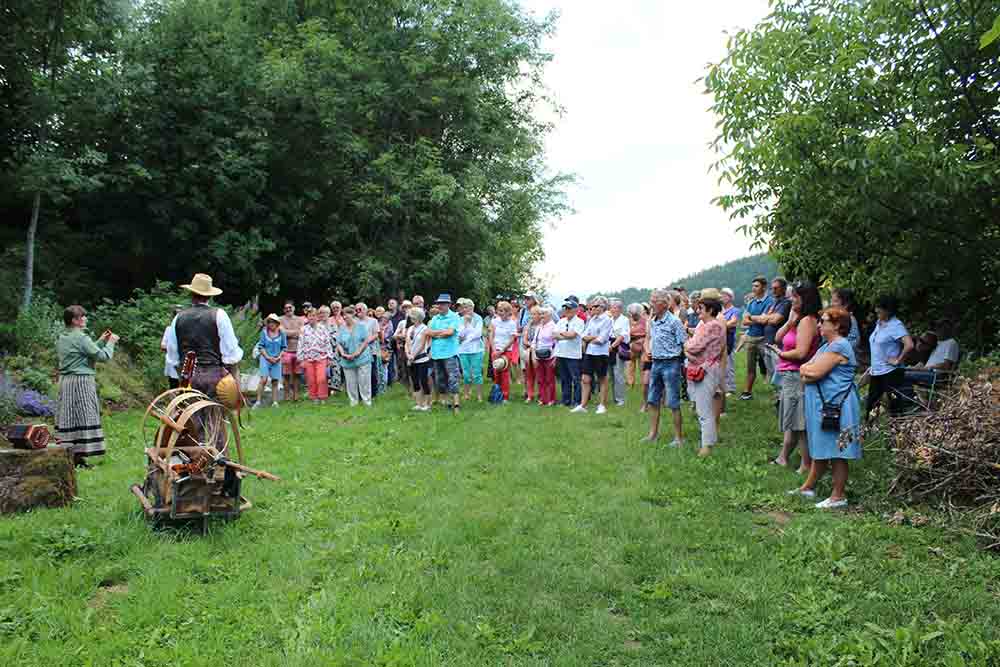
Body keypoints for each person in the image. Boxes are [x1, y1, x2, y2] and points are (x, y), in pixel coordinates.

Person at [793, 307, 862, 509]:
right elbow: (806, 370)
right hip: (825, 406)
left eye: (824, 321)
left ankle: (838, 496)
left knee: (837, 450)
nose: (819, 324)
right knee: (823, 446)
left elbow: (813, 372)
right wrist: (808, 370)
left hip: (838, 407)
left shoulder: (840, 345)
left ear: (838, 326)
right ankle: (808, 487)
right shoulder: (826, 346)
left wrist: (808, 370)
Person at [164, 273, 244, 402]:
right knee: (215, 416)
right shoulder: (219, 315)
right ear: (210, 296)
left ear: (191, 294)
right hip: (214, 378)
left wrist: (184, 376)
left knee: (189, 417)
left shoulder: (178, 318)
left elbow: (172, 357)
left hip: (187, 380)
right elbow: (231, 355)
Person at [56, 305, 119, 466]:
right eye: (82, 316)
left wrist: (99, 341)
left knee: (70, 416)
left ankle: (72, 453)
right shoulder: (81, 338)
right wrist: (111, 343)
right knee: (84, 414)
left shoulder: (63, 336)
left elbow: (81, 354)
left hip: (66, 381)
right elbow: (103, 356)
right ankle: (80, 455)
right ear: (74, 320)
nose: (85, 319)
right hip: (81, 381)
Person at [770, 282, 821, 472]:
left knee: (800, 423)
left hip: (797, 373)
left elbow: (801, 353)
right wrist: (790, 322)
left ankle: (806, 464)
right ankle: (788, 458)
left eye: (795, 297)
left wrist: (781, 354)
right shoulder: (798, 319)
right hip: (789, 373)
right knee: (793, 419)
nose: (791, 299)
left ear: (804, 299)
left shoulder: (808, 321)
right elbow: (777, 337)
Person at [641, 289, 686, 446]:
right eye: (651, 300)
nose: (651, 303)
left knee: (673, 401)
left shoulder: (675, 322)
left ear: (664, 304)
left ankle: (678, 438)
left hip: (671, 364)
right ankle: (653, 434)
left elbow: (683, 344)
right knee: (653, 400)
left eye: (654, 300)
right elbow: (650, 339)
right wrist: (649, 350)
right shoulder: (653, 321)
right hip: (656, 364)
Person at [684, 295, 726, 456]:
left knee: (704, 409)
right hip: (705, 367)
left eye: (701, 308)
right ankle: (710, 440)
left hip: (706, 369)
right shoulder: (709, 325)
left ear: (710, 310)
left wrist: (687, 346)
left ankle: (706, 447)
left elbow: (695, 346)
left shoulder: (712, 326)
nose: (697, 310)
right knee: (703, 407)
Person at [865, 295, 914, 419]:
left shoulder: (896, 325)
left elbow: (909, 345)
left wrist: (898, 360)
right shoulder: (879, 323)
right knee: (871, 406)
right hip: (877, 371)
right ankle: (869, 433)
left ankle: (898, 434)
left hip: (891, 372)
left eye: (880, 308)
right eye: (876, 307)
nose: (876, 310)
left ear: (889, 310)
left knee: (895, 408)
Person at [572, 295, 613, 414]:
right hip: (590, 352)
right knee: (585, 378)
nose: (592, 308)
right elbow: (583, 335)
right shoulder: (591, 319)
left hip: (601, 353)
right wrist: (592, 338)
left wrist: (591, 338)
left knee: (602, 378)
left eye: (595, 306)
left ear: (602, 307)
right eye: (591, 306)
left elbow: (602, 339)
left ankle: (602, 405)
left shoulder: (607, 320)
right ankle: (583, 405)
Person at [425, 293, 462, 412]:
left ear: (449, 305)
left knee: (453, 378)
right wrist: (441, 333)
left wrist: (436, 333)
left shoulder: (454, 317)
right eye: (438, 304)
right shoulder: (435, 318)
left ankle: (456, 404)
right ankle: (447, 403)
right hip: (436, 354)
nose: (439, 306)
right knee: (440, 380)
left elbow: (450, 332)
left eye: (442, 304)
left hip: (450, 353)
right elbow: (428, 332)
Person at [740, 276, 773, 400]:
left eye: (756, 286)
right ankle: (747, 392)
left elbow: (765, 320)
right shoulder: (751, 302)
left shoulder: (769, 301)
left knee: (771, 366)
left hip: (764, 338)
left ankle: (778, 392)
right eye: (753, 286)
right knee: (750, 367)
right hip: (751, 337)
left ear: (764, 287)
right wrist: (757, 318)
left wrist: (752, 318)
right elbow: (744, 321)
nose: (753, 288)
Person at [338, 305, 373, 406]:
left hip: (362, 357)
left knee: (364, 381)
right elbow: (339, 343)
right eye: (343, 315)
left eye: (346, 314)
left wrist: (357, 353)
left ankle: (367, 402)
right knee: (350, 382)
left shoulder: (361, 326)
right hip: (347, 359)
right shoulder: (342, 328)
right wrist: (342, 353)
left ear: (352, 314)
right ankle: (353, 402)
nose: (344, 317)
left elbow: (365, 341)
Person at [298, 307, 333, 404]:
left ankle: (322, 397)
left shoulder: (323, 328)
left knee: (321, 378)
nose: (312, 318)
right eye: (310, 316)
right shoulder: (303, 329)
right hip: (308, 358)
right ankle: (314, 397)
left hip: (321, 357)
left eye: (314, 315)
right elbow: (300, 344)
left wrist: (330, 357)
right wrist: (301, 359)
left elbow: (327, 343)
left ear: (317, 317)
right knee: (311, 379)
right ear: (307, 317)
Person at [554, 300, 585, 408]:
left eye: (569, 308)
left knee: (575, 378)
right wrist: (566, 335)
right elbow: (554, 335)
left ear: (576, 310)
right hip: (561, 353)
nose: (567, 310)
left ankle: (577, 401)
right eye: (566, 308)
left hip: (573, 354)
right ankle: (565, 400)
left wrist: (562, 334)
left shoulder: (580, 321)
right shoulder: (561, 321)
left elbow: (573, 335)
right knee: (564, 378)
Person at [253, 313, 286, 408]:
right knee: (263, 379)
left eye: (273, 322)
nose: (271, 324)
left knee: (275, 381)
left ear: (277, 323)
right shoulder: (264, 332)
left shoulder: (282, 333)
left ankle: (275, 402)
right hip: (265, 358)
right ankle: (258, 401)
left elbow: (283, 347)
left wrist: (279, 357)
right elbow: (261, 347)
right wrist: (268, 357)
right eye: (269, 322)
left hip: (277, 359)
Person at [762, 278, 791, 382]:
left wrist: (766, 318)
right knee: (772, 373)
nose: (773, 291)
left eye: (776, 288)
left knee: (780, 374)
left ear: (784, 289)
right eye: (772, 288)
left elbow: (776, 320)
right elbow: (761, 318)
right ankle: (778, 396)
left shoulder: (786, 303)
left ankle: (781, 397)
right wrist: (766, 318)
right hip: (768, 343)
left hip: (778, 345)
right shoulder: (772, 303)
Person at [489, 301, 519, 402]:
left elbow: (512, 339)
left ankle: (505, 396)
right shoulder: (495, 321)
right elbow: (491, 335)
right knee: (496, 372)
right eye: (499, 310)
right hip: (495, 349)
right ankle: (497, 394)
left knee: (504, 373)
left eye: (502, 311)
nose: (500, 313)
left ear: (508, 312)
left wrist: (502, 350)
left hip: (506, 351)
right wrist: (494, 349)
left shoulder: (512, 323)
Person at [456, 298, 485, 402]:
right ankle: (466, 394)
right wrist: (465, 326)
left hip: (476, 350)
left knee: (477, 374)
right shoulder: (460, 319)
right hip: (463, 351)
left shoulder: (478, 318)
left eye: (467, 307)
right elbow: (459, 334)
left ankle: (479, 396)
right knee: (466, 374)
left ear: (472, 307)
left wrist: (467, 327)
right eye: (464, 307)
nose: (465, 309)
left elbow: (478, 334)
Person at [405, 306, 432, 411]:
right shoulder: (410, 328)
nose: (411, 319)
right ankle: (418, 403)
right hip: (411, 359)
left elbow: (422, 344)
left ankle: (427, 404)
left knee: (423, 380)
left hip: (421, 359)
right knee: (415, 381)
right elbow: (407, 342)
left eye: (413, 317)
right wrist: (408, 353)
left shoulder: (425, 328)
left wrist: (413, 356)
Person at [530, 305, 558, 406]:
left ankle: (551, 399)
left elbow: (556, 343)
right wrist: (533, 356)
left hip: (549, 355)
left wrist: (554, 358)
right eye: (541, 314)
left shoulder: (554, 326)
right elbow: (534, 342)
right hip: (538, 355)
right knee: (540, 379)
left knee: (549, 379)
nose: (542, 316)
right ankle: (542, 398)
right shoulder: (539, 327)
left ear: (550, 315)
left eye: (544, 313)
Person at [608, 299, 631, 407]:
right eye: (611, 307)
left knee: (618, 374)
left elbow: (622, 335)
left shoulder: (624, 320)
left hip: (618, 347)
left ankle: (620, 398)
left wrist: (612, 346)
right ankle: (615, 398)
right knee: (611, 374)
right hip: (609, 346)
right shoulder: (610, 319)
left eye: (615, 307)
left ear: (620, 309)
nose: (613, 310)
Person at [279, 300, 304, 401]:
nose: (288, 309)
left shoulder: (300, 319)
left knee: (297, 374)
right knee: (286, 374)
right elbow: (282, 333)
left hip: (298, 350)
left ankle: (296, 395)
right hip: (285, 350)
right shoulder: (280, 319)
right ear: (284, 309)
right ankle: (286, 395)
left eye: (290, 307)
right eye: (286, 308)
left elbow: (302, 333)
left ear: (294, 308)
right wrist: (295, 332)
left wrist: (289, 333)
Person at [830, 289, 860, 355]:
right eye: (831, 300)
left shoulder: (850, 319)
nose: (831, 304)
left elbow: (853, 342)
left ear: (846, 304)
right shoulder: (834, 318)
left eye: (835, 301)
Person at [160, 304, 183, 389]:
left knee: (183, 389)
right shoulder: (169, 329)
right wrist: (171, 348)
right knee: (173, 386)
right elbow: (163, 345)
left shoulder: (187, 330)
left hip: (184, 364)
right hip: (172, 362)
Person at [721, 288, 740, 394]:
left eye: (725, 295)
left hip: (729, 339)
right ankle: (723, 385)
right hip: (720, 339)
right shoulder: (720, 311)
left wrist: (719, 325)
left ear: (730, 297)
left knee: (729, 363)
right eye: (722, 295)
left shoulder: (735, 310)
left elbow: (733, 322)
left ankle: (731, 387)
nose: (722, 297)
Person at [522, 305, 541, 402]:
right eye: (531, 314)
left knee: (539, 374)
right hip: (529, 351)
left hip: (539, 352)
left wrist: (534, 347)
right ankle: (530, 395)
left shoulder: (542, 325)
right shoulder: (528, 326)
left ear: (539, 315)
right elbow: (524, 340)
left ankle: (540, 394)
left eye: (534, 314)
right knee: (529, 374)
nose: (532, 316)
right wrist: (531, 345)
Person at [626, 303, 647, 388]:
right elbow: (626, 333)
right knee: (630, 365)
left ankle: (644, 383)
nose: (633, 314)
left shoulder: (645, 320)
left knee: (642, 366)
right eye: (632, 313)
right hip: (631, 346)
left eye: (635, 313)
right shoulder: (628, 321)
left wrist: (635, 335)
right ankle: (630, 383)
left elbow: (647, 333)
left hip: (642, 346)